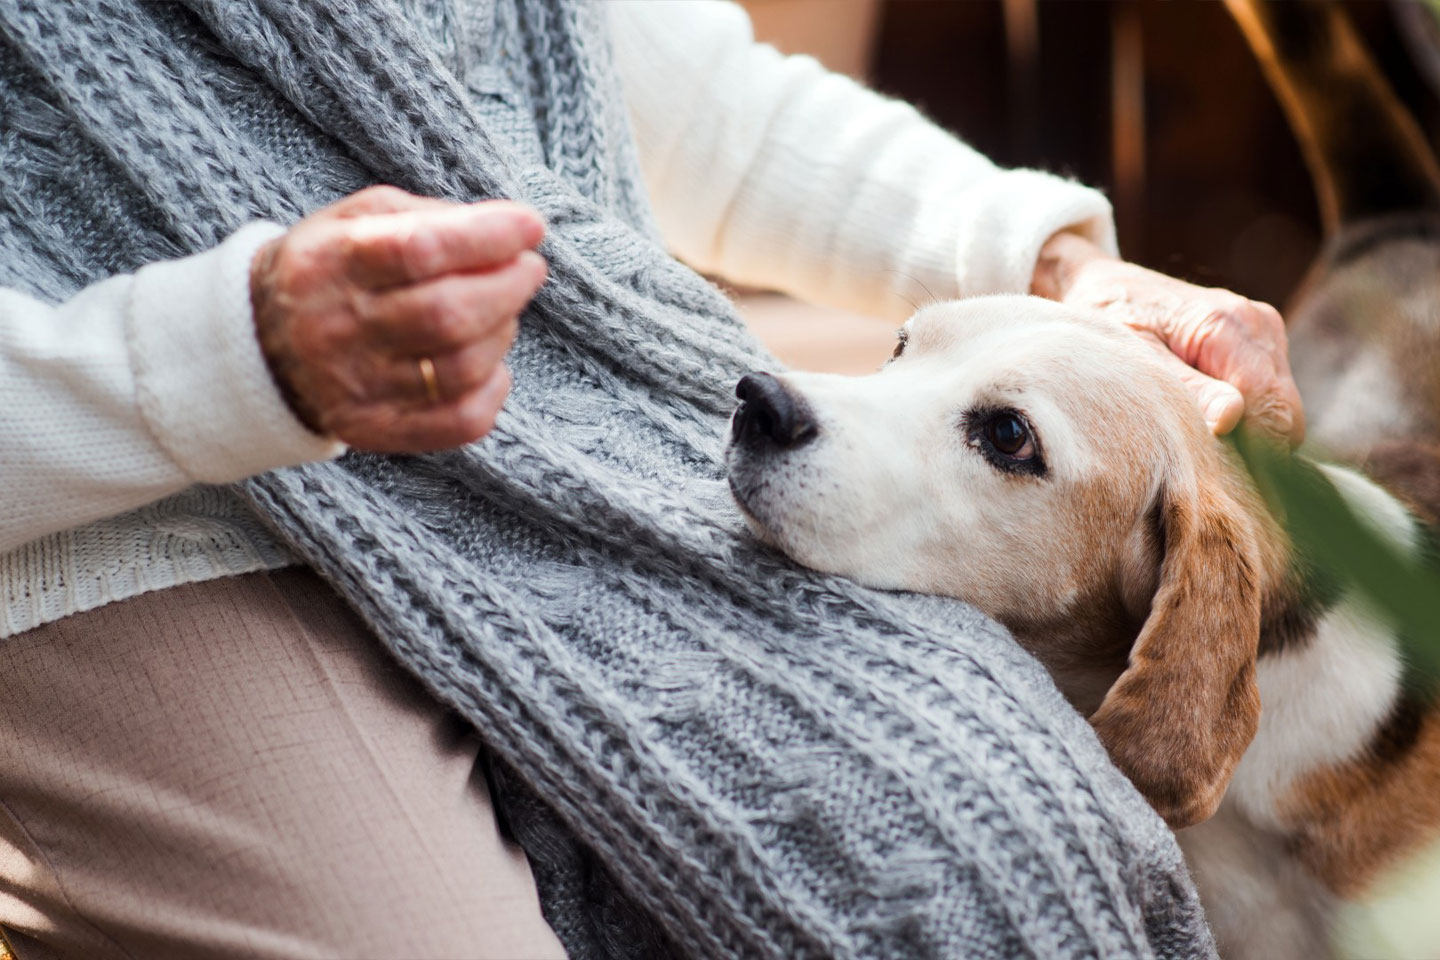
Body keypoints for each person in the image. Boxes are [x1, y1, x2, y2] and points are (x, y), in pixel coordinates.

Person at [0, 1, 1299, 958]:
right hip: (136, 522)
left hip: (577, 441)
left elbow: (688, 103)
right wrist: (232, 358)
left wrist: (1051, 265)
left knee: (1010, 840)